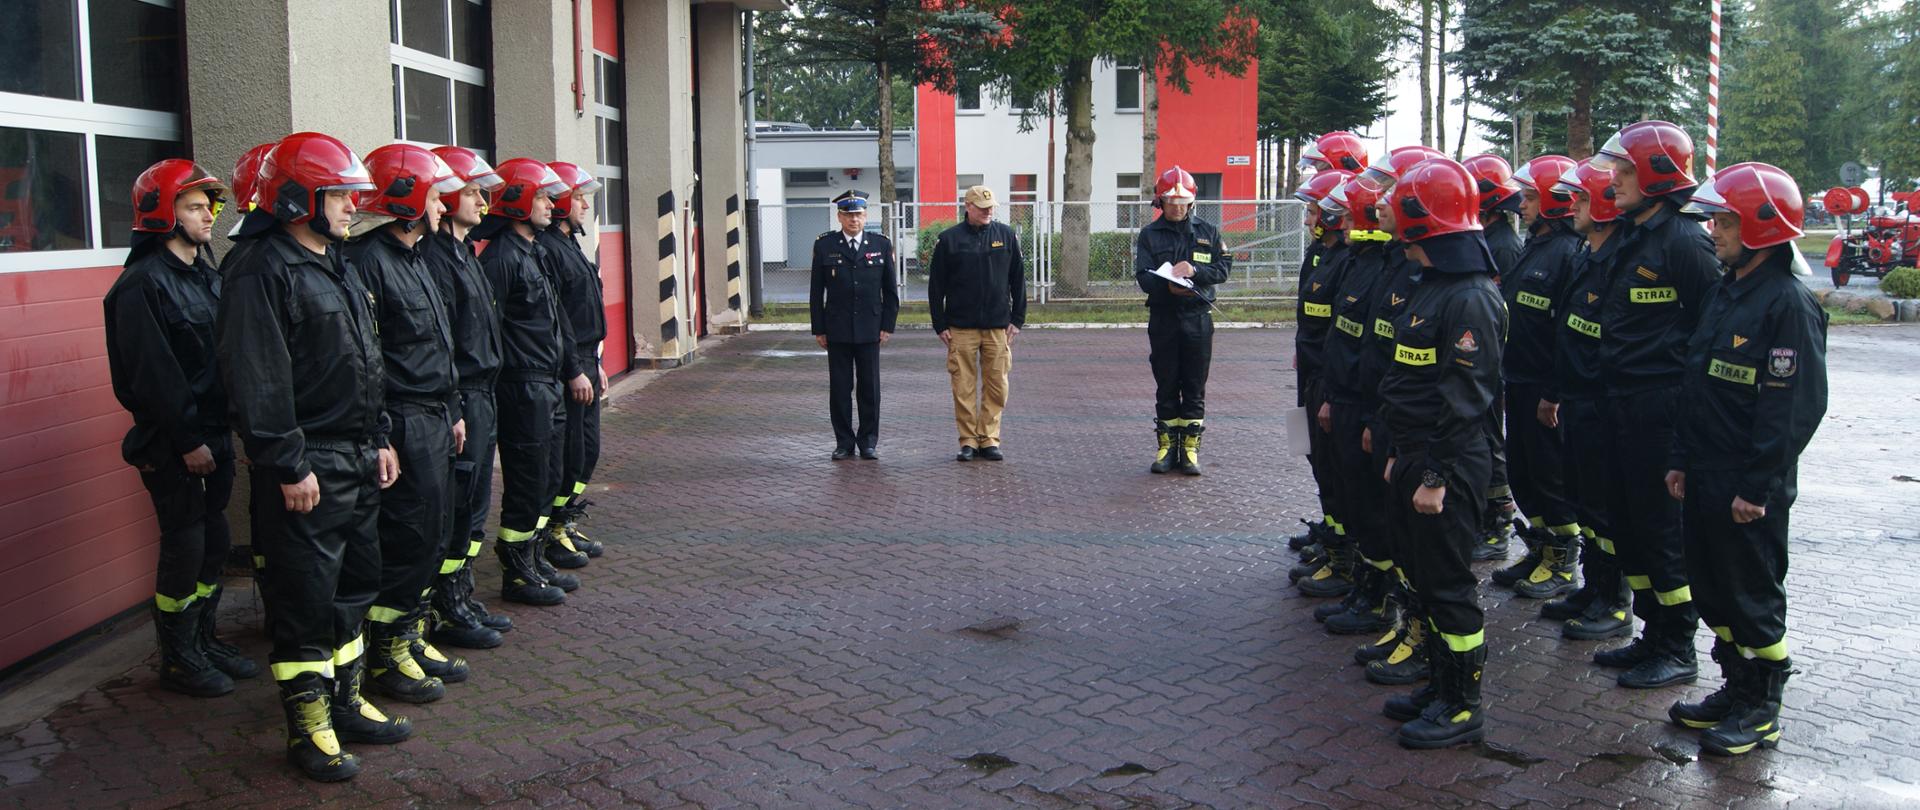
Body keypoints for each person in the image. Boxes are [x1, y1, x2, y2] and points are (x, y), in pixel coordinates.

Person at [217, 132, 402, 781]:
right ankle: (309, 726)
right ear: (299, 198)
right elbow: (258, 376)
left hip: (354, 455)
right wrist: (287, 462)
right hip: (309, 465)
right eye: (341, 194)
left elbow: (365, 360)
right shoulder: (259, 269)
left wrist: (379, 436)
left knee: (353, 586)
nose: (354, 205)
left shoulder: (333, 260)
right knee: (304, 598)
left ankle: (346, 700)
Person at [1667, 162, 1827, 756]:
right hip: (1706, 472)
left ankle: (1763, 707)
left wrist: (1756, 487)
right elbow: (1697, 382)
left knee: (1753, 596)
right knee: (1715, 590)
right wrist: (1682, 456)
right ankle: (1735, 690)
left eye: (1725, 221)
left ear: (1760, 226)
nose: (1713, 231)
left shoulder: (1787, 305)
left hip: (1746, 485)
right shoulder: (1727, 292)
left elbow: (1793, 410)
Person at [104, 159, 258, 698]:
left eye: (209, 206)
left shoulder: (204, 275)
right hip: (175, 445)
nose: (208, 216)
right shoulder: (141, 286)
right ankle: (178, 657)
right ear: (161, 215)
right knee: (185, 545)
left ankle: (204, 638)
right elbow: (154, 377)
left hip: (212, 436)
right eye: (194, 207)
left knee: (213, 540)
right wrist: (189, 440)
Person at [1372, 157, 1507, 750]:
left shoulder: (1471, 299)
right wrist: (1400, 454)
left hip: (1446, 463)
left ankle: (1462, 706)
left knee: (1450, 587)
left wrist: (1431, 473)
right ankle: (1438, 686)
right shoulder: (1434, 287)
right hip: (1417, 457)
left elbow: (1465, 401)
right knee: (1424, 577)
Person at [1588, 121, 1721, 690]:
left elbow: (1708, 330)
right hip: (1620, 404)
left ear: (1656, 174)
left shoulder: (1686, 241)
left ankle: (1677, 646)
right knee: (1631, 525)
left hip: (1659, 410)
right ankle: (1651, 633)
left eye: (1625, 169)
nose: (1613, 178)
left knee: (1663, 532)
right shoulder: (1633, 233)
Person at [341, 144, 468, 705]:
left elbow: (439, 344)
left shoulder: (419, 258)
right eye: (438, 197)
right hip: (405, 421)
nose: (444, 208)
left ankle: (408, 633)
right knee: (406, 537)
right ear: (411, 200)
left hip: (436, 415)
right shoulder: (370, 261)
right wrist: (385, 433)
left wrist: (455, 408)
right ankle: (388, 651)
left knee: (432, 535)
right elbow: (370, 360)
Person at [1538, 159, 1635, 641]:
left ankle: (1615, 602)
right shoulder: (1585, 256)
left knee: (1605, 508)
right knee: (1585, 503)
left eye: (1579, 198)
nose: (1569, 205)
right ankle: (1594, 588)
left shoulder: (1620, 258)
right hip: (1577, 401)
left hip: (1603, 406)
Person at [478, 158, 579, 607]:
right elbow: (489, 329)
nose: (550, 203)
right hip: (522, 385)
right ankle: (516, 571)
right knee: (525, 481)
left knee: (546, 477)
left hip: (546, 383)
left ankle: (534, 557)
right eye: (541, 196)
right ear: (517, 202)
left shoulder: (532, 251)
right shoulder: (501, 258)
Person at [422, 145, 511, 649]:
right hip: (460, 397)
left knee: (475, 506)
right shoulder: (437, 258)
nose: (482, 203)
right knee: (457, 506)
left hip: (481, 394)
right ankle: (446, 604)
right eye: (474, 192)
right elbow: (442, 342)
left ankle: (460, 592)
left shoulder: (464, 252)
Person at [1487, 155, 1586, 600]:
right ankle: (1541, 547)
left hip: (1545, 389)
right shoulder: (1535, 247)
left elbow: (1565, 331)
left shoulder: (1566, 254)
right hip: (1519, 379)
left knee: (1549, 475)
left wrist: (1553, 392)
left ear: (1553, 202)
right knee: (1525, 474)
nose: (1521, 205)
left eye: (1529, 197)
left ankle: (1563, 560)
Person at [1312, 175, 1401, 636]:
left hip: (1365, 406)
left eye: (1346, 215)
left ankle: (1380, 598)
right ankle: (1367, 585)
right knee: (1354, 497)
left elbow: (1384, 354)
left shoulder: (1391, 267)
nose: (1337, 223)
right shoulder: (1360, 261)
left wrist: (1372, 416)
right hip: (1341, 394)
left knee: (1371, 506)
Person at [1134, 165, 1232, 475]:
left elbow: (1223, 269)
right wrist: (1168, 286)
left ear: (1191, 203)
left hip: (1198, 319)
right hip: (1164, 318)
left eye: (1182, 201)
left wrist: (1195, 272)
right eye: (1171, 201)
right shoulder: (1150, 235)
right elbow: (1143, 276)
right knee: (1166, 383)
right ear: (1159, 202)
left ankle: (1190, 450)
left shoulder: (1208, 232)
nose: (1177, 207)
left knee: (1194, 384)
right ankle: (1166, 447)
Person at [1288, 169, 1356, 595]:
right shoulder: (1322, 252)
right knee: (1313, 454)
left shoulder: (1345, 259)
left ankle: (1343, 553)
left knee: (1335, 466)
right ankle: (1330, 536)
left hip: (1328, 378)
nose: (1309, 218)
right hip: (1310, 372)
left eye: (1313, 210)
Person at [539, 162, 610, 563]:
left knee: (587, 450)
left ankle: (564, 520)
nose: (584, 204)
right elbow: (559, 318)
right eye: (579, 197)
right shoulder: (550, 248)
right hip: (570, 363)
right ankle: (553, 530)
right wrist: (574, 368)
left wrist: (595, 361)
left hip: (584, 358)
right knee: (569, 453)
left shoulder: (569, 243)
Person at [928, 185, 1027, 461]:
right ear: (968, 207)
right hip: (961, 327)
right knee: (964, 386)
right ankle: (969, 441)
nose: (988, 212)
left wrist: (1017, 318)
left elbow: (1018, 280)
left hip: (997, 326)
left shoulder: (1006, 236)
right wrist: (940, 324)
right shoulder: (949, 240)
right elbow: (936, 287)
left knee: (997, 385)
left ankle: (989, 439)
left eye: (991, 207)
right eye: (983, 208)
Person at [1462, 154, 1526, 560]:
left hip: (1492, 366)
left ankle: (1498, 522)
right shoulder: (1486, 239)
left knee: (1490, 442)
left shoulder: (1504, 247)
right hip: (1485, 362)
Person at [808, 190, 899, 459]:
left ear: (865, 216)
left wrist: (888, 325)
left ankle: (868, 441)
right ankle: (844, 442)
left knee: (869, 388)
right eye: (848, 215)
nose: (854, 220)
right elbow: (816, 293)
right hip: (837, 330)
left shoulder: (880, 244)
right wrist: (819, 328)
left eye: (858, 214)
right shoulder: (825, 246)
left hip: (871, 329)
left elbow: (890, 291)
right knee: (840, 388)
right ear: (839, 217)